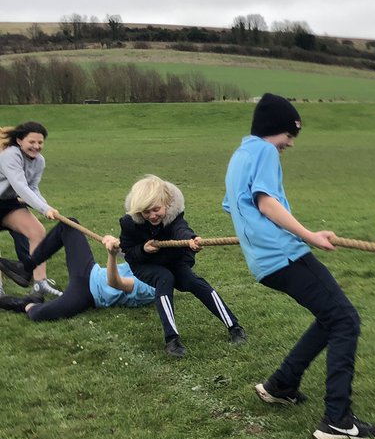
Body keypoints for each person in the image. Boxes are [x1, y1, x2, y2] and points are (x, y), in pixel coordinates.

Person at [223, 92, 375, 439]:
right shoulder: (265, 151)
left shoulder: (239, 156)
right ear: (272, 130)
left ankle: (281, 384)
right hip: (284, 255)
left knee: (331, 317)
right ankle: (337, 420)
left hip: (263, 263)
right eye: (288, 136)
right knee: (345, 319)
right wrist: (309, 235)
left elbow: (234, 207)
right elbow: (266, 203)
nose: (290, 144)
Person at [119, 175, 245, 357]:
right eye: (146, 212)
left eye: (156, 210)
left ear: (167, 203)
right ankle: (172, 340)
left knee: (194, 281)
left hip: (173, 258)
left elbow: (181, 229)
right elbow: (128, 251)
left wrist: (190, 240)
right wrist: (143, 249)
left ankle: (234, 327)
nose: (152, 216)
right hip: (145, 264)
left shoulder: (174, 214)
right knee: (165, 278)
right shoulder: (129, 222)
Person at [0, 221, 157, 320]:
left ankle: (23, 303)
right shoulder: (151, 259)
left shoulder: (151, 287)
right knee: (69, 225)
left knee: (38, 314)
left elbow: (115, 282)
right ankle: (27, 268)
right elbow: (133, 252)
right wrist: (114, 242)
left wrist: (112, 255)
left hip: (87, 293)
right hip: (89, 270)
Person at [0, 120, 63, 297]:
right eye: (31, 142)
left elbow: (33, 187)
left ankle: (40, 284)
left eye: (40, 142)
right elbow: (21, 187)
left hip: (7, 202)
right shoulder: (10, 156)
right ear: (20, 141)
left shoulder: (39, 161)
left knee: (37, 232)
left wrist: (48, 207)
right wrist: (43, 209)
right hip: (8, 196)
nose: (36, 146)